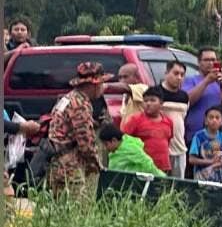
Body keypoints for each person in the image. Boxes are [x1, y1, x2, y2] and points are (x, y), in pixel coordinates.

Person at [46, 62, 110, 197]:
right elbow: (85, 143)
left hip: (57, 161)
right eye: (101, 83)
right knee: (76, 209)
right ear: (94, 85)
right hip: (69, 166)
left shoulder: (68, 98)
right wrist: (98, 166)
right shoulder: (80, 105)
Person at [121, 86, 173, 175]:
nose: (148, 103)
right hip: (142, 167)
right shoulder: (135, 120)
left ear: (161, 103)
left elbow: (168, 142)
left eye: (153, 100)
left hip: (163, 167)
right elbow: (123, 141)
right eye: (145, 101)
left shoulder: (168, 121)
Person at [183, 48, 222, 147]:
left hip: (218, 136)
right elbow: (187, 100)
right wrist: (207, 81)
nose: (210, 63)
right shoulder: (191, 80)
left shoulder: (221, 82)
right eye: (206, 60)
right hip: (194, 136)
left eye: (213, 60)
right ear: (199, 62)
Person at [158, 61, 190, 178]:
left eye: (182, 74)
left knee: (178, 186)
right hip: (160, 149)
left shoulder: (184, 97)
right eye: (176, 73)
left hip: (180, 149)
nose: (179, 77)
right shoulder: (156, 93)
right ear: (166, 73)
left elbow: (183, 119)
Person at [99, 124, 165, 177]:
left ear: (114, 140)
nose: (105, 148)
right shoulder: (116, 150)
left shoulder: (129, 148)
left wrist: (162, 178)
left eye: (106, 144)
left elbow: (147, 162)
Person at [187, 107, 222, 183]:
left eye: (217, 118)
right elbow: (191, 159)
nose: (214, 120)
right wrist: (211, 161)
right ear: (205, 121)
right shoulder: (198, 136)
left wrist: (214, 165)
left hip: (218, 179)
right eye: (211, 117)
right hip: (201, 177)